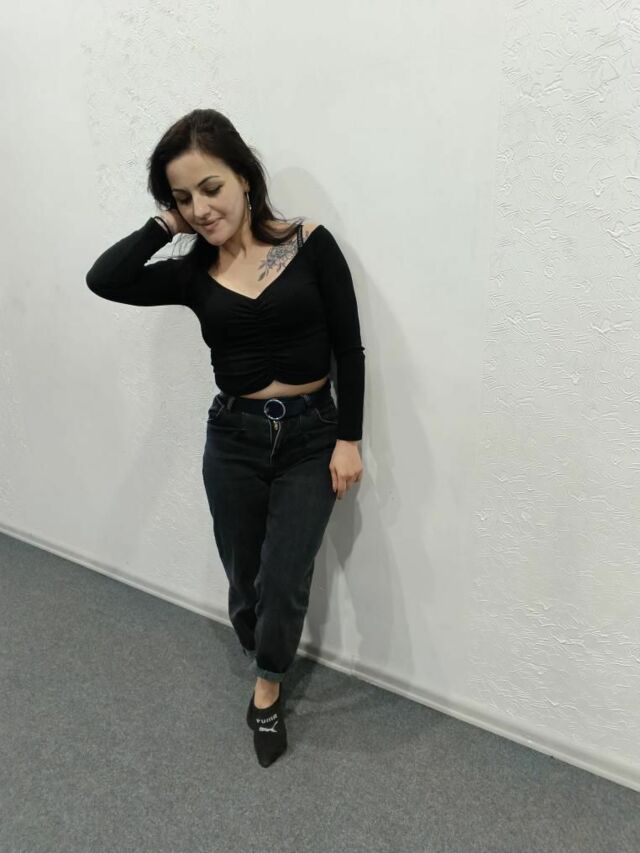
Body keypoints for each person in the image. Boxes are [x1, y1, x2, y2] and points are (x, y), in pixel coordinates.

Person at [85, 108, 366, 768]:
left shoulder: (310, 243)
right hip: (234, 438)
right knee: (244, 574)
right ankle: (258, 640)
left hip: (311, 436)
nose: (201, 208)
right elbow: (105, 278)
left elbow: (349, 349)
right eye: (183, 198)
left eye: (210, 188)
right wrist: (165, 225)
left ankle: (267, 688)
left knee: (285, 572)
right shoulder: (191, 272)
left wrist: (349, 439)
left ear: (243, 176)